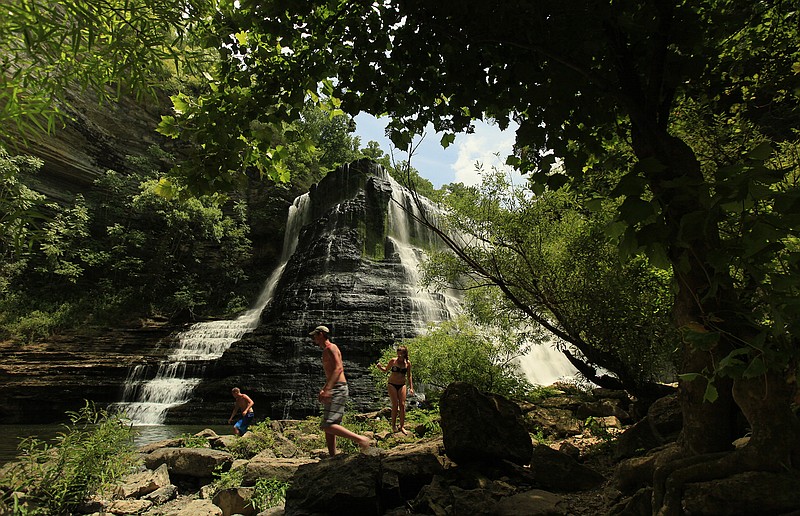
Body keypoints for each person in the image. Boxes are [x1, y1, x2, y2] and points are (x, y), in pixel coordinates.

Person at [309, 325, 372, 456]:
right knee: (329, 425)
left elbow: (338, 369)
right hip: (334, 387)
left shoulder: (331, 348)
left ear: (321, 334)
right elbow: (331, 373)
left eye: (315, 335)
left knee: (327, 425)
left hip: (338, 388)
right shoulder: (326, 350)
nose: (313, 337)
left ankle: (361, 439)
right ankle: (332, 456)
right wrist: (324, 389)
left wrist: (329, 389)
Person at [375, 345, 414, 434]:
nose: (399, 355)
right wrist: (380, 367)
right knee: (395, 404)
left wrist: (411, 387)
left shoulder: (408, 363)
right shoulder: (393, 361)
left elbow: (409, 375)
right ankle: (393, 425)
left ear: (405, 354)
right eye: (398, 354)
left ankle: (402, 426)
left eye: (401, 354)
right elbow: (386, 370)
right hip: (392, 384)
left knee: (403, 404)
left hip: (402, 385)